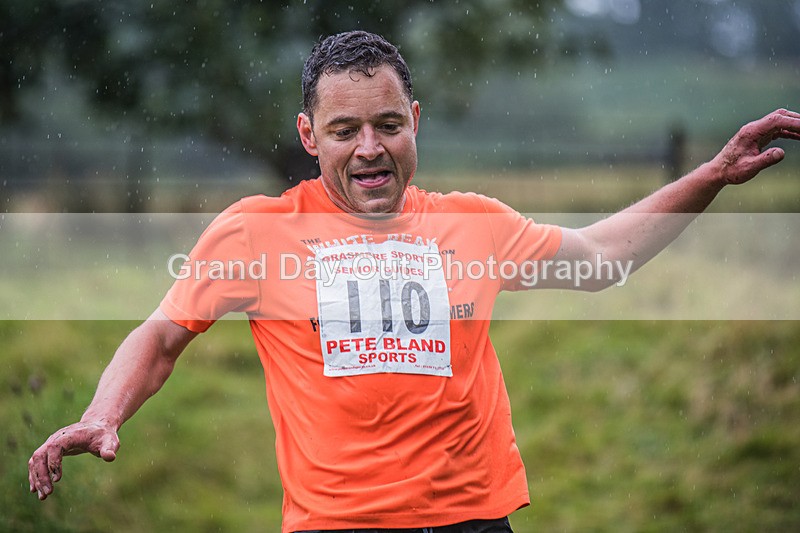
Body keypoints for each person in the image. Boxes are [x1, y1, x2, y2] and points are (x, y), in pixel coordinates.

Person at [28, 30, 800, 533]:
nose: (370, 148)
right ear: (308, 137)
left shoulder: (473, 223)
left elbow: (602, 259)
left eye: (388, 125)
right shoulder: (254, 232)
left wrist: (715, 173)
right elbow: (163, 333)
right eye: (344, 130)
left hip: (474, 518)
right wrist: (104, 411)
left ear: (415, 121)